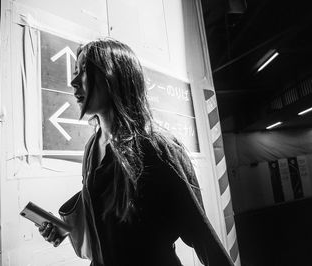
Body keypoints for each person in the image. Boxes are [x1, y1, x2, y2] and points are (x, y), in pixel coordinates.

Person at [37, 38, 234, 266]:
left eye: (84, 71)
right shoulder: (92, 146)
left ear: (113, 78)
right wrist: (66, 229)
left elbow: (201, 236)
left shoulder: (158, 149)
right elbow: (107, 222)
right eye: (75, 72)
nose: (73, 81)